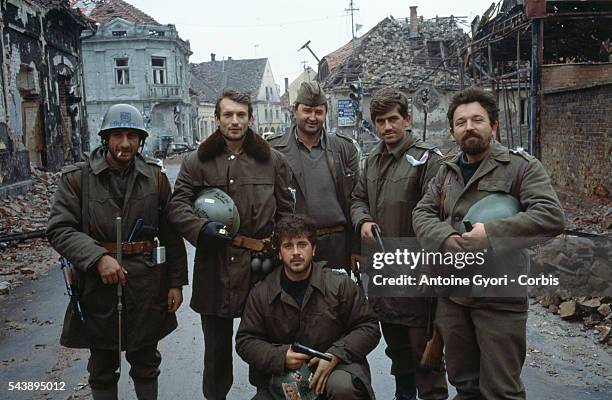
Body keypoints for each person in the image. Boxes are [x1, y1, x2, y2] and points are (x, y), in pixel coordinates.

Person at [412, 86, 565, 399]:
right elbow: (422, 213)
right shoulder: (446, 172)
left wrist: (491, 235)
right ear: (453, 131)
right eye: (461, 122)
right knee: (465, 385)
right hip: (453, 298)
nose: (469, 127)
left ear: (493, 125)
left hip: (499, 298)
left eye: (477, 120)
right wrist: (446, 237)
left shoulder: (521, 167)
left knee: (501, 391)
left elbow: (550, 216)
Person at [46, 104, 188, 400]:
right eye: (118, 136)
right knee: (102, 366)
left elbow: (171, 234)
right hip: (98, 286)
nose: (125, 143)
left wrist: (176, 283)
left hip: (147, 285)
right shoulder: (77, 179)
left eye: (132, 136)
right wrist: (97, 257)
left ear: (141, 140)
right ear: (105, 138)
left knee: (147, 362)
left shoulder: (155, 178)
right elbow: (59, 229)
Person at [167, 89, 294, 399]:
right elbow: (177, 205)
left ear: (250, 118)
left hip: (260, 268)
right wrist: (199, 228)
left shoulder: (273, 161)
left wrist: (280, 249)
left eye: (241, 115)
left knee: (264, 345)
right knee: (216, 353)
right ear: (217, 118)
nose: (235, 121)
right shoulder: (197, 162)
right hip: (215, 265)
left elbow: (287, 212)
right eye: (228, 114)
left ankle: (265, 395)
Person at [350, 88, 448, 400]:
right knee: (396, 347)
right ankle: (403, 395)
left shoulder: (426, 161)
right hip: (383, 270)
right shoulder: (371, 161)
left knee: (425, 348)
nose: (387, 127)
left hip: (418, 273)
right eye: (380, 121)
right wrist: (363, 220)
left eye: (393, 119)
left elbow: (437, 212)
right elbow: (357, 199)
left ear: (407, 119)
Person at [236, 214, 381, 400]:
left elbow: (369, 327)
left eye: (302, 244)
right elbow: (246, 340)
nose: (296, 252)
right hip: (284, 376)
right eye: (288, 246)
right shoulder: (261, 293)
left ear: (313, 249)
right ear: (279, 253)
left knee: (343, 388)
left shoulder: (340, 285)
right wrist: (280, 357)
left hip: (336, 368)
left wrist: (335, 354)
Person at [268, 81, 359, 271]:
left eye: (318, 112)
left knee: (336, 297)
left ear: (325, 113)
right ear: (295, 110)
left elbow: (356, 200)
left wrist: (356, 248)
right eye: (307, 111)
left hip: (337, 244)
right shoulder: (274, 150)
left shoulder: (344, 148)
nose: (312, 117)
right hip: (296, 246)